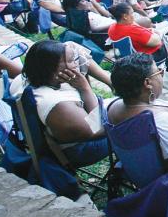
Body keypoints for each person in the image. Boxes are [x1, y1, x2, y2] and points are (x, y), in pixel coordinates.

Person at [105, 53, 168, 181]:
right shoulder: (163, 123)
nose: (162, 76)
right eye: (159, 73)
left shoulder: (113, 107)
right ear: (147, 83)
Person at [23, 40, 110, 169]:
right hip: (80, 150)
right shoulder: (60, 106)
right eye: (71, 60)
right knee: (137, 122)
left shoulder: (33, 79)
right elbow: (97, 130)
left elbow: (73, 49)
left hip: (83, 127)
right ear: (52, 69)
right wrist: (85, 88)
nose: (77, 63)